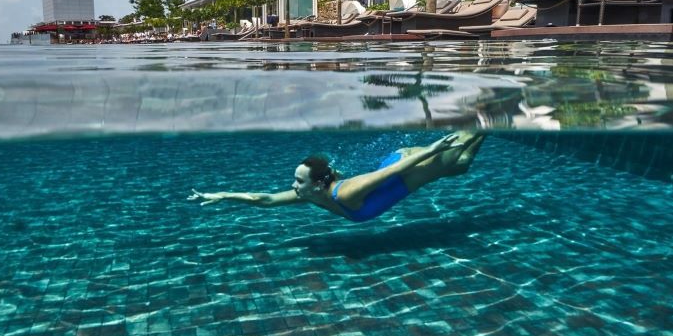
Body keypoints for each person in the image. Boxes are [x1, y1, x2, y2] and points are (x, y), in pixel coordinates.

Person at [188, 132, 484, 222]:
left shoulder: (344, 193)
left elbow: (392, 172)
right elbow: (264, 200)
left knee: (463, 158)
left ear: (317, 183)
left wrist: (431, 149)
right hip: (400, 167)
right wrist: (222, 195)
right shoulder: (313, 194)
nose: (293, 187)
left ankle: (497, 111)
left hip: (411, 165)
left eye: (298, 182)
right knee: (464, 163)